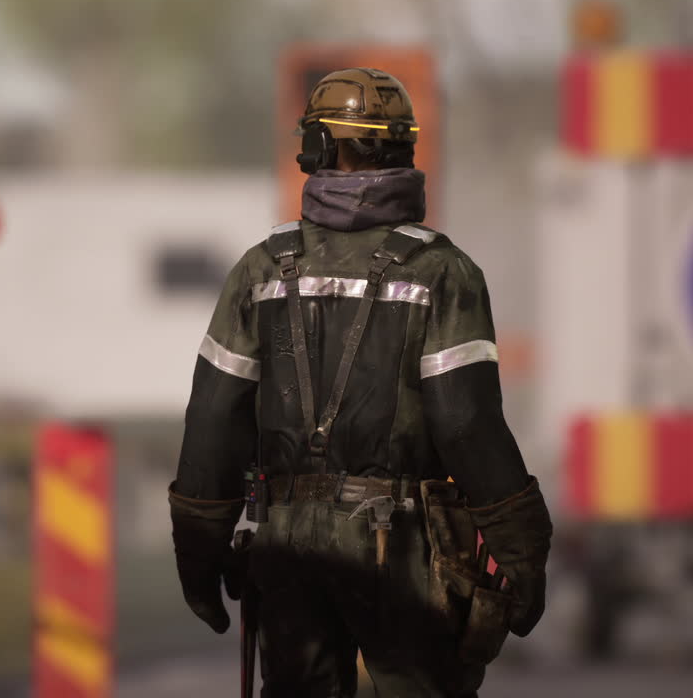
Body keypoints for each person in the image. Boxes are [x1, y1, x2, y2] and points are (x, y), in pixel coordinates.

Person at [168, 68, 553, 697]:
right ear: (403, 148)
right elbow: (465, 423)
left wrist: (198, 551)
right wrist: (521, 546)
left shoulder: (261, 269)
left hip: (284, 543)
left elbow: (213, 418)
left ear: (319, 149)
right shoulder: (442, 272)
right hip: (402, 549)